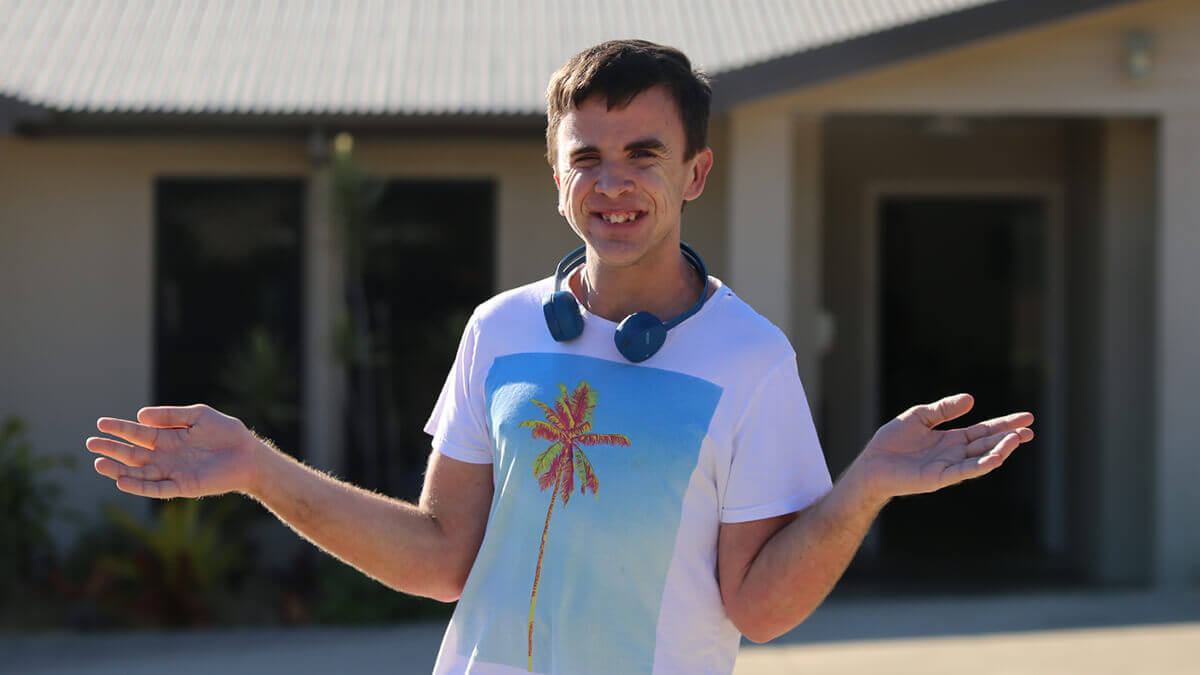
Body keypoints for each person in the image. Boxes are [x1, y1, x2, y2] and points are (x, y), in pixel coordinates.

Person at [87, 40, 1035, 674]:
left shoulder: (750, 358)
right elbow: (442, 556)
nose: (612, 183)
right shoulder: (498, 331)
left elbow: (757, 603)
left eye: (643, 153)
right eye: (586, 156)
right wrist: (258, 466)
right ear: (555, 173)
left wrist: (859, 487)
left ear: (694, 173)